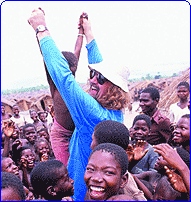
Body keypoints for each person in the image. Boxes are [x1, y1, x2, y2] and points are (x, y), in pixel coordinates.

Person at [28, 8, 130, 201]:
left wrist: (41, 29)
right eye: (92, 74)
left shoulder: (93, 113)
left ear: (114, 88)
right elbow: (97, 65)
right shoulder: (114, 112)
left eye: (99, 78)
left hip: (83, 193)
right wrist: (89, 33)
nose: (92, 80)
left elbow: (63, 77)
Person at [89, 120, 147, 201]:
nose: (91, 145)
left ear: (102, 148)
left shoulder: (126, 191)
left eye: (92, 140)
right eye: (90, 169)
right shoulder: (95, 181)